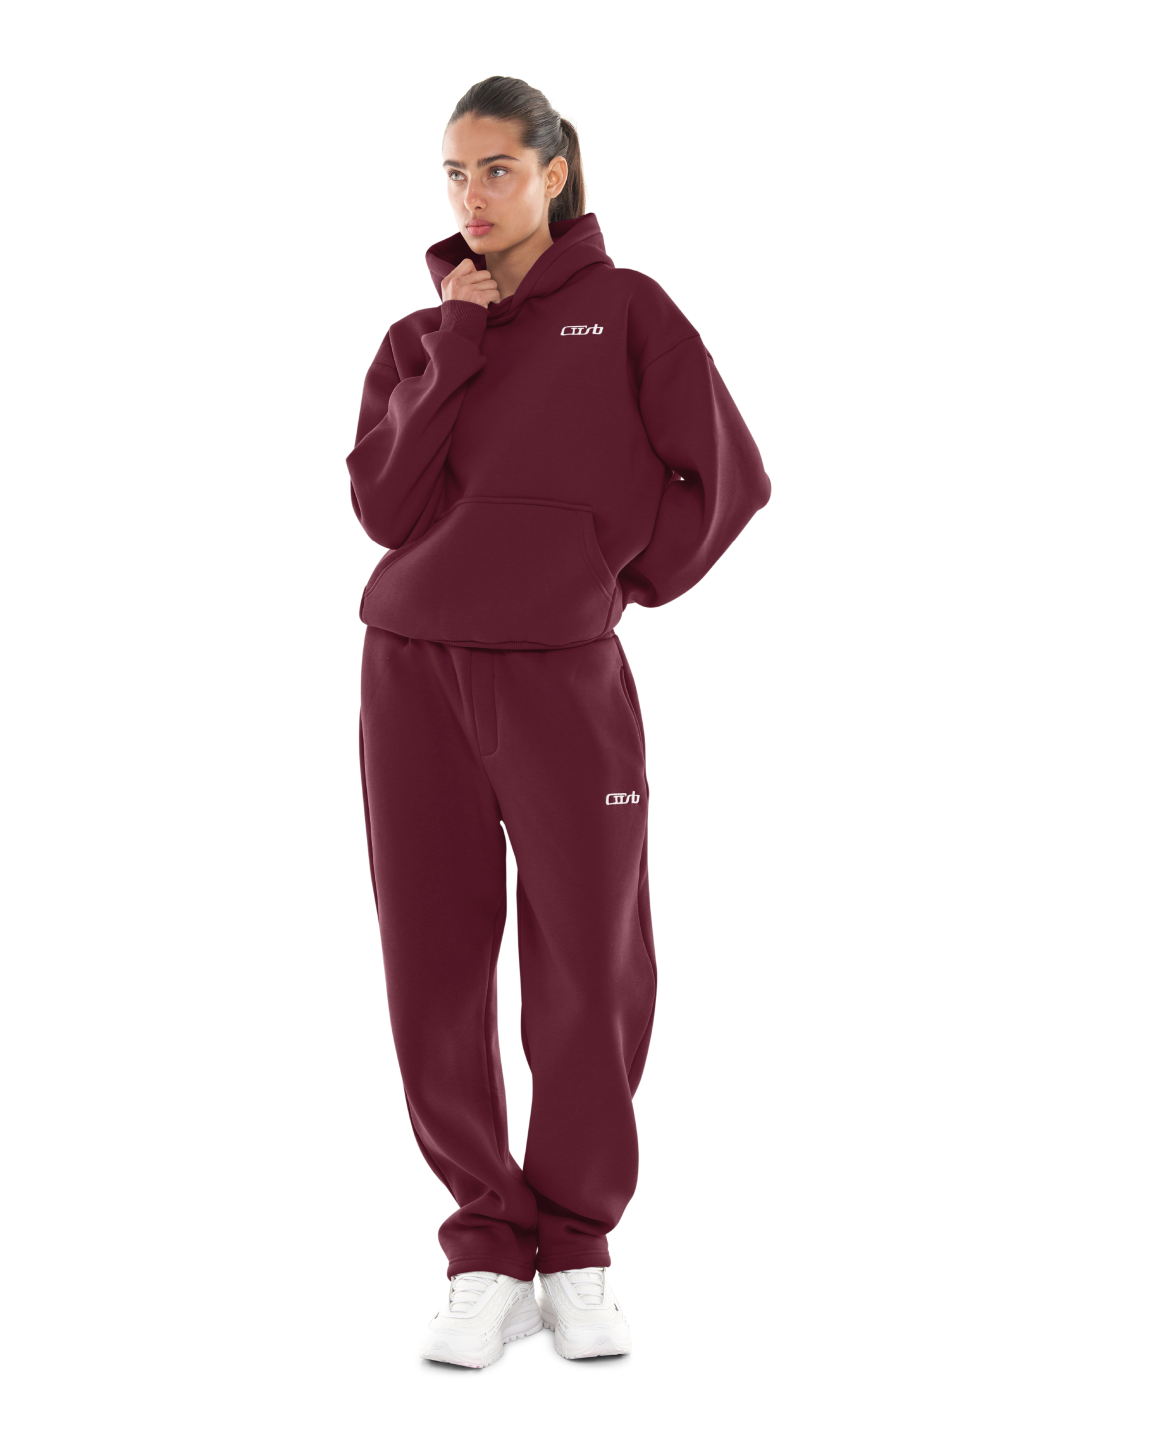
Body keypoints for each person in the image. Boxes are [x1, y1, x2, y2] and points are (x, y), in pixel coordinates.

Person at [347, 75, 772, 1367]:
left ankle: (578, 1248)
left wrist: (609, 578)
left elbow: (731, 477)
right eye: (454, 174)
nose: (472, 196)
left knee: (592, 960)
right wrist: (458, 338)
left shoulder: (628, 311)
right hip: (411, 669)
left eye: (496, 169)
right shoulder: (420, 337)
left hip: (564, 676)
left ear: (555, 172)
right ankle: (485, 1250)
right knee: (433, 962)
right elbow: (384, 508)